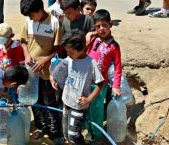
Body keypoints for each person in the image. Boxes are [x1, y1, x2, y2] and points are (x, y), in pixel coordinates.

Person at [19, 0, 64, 144]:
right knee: (34, 101)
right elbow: (23, 41)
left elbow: (58, 49)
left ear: (39, 10)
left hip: (47, 74)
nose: (30, 18)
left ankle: (55, 132)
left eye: (32, 15)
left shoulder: (54, 23)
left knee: (49, 103)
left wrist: (45, 60)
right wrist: (26, 54)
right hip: (31, 72)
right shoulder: (28, 21)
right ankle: (40, 127)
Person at [50, 31, 104, 144]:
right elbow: (56, 70)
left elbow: (100, 83)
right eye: (67, 51)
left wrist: (88, 99)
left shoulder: (90, 63)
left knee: (73, 134)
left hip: (79, 106)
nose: (68, 54)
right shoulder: (69, 59)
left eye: (70, 52)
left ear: (81, 49)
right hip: (66, 101)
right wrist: (52, 78)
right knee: (66, 133)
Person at [85, 9, 122, 139]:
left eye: (104, 25)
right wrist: (89, 36)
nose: (102, 29)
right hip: (86, 81)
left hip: (100, 84)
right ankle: (89, 131)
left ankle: (98, 135)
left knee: (97, 110)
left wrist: (116, 86)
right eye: (98, 26)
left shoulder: (113, 46)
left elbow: (118, 67)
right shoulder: (93, 40)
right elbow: (82, 55)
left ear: (110, 24)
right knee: (87, 108)